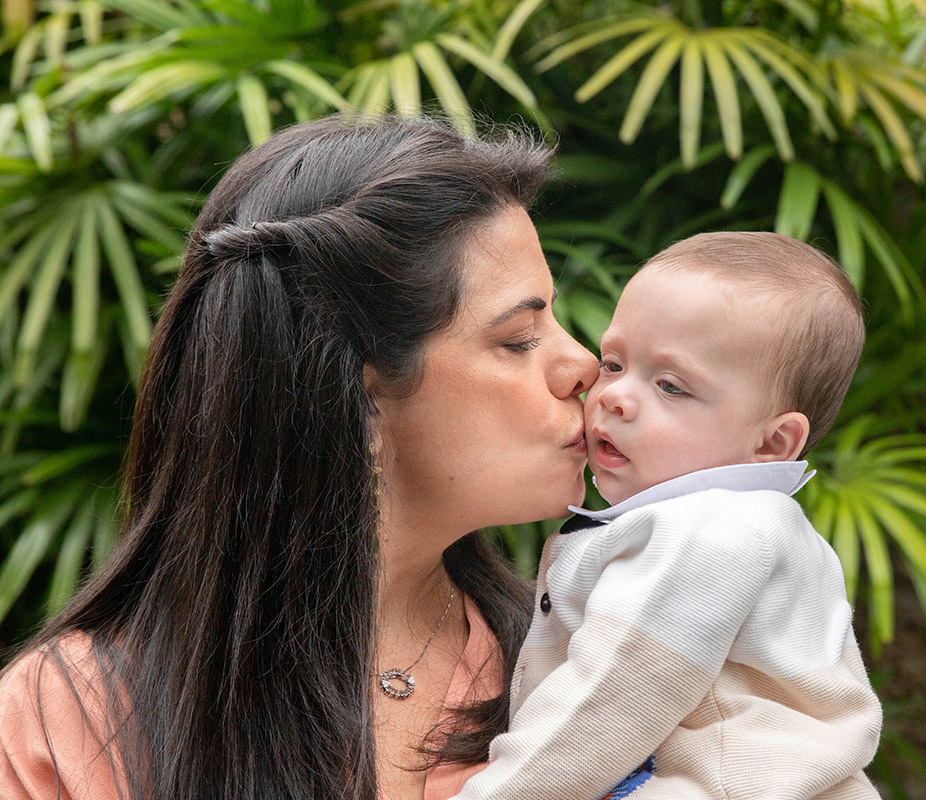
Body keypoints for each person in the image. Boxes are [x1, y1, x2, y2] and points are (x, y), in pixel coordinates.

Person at [0, 114, 599, 800]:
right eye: (519, 338)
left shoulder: (596, 664)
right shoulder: (64, 724)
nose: (583, 363)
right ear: (359, 399)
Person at [453, 232, 883, 800]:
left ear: (773, 442)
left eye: (671, 387)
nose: (614, 396)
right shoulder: (746, 527)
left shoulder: (710, 534)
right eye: (614, 363)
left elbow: (609, 700)